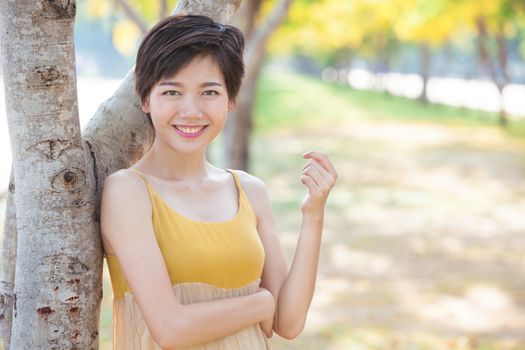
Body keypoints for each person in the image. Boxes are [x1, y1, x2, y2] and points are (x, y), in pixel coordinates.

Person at [100, 14, 337, 350]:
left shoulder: (249, 191)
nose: (191, 110)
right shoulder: (128, 191)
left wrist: (313, 214)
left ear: (230, 101)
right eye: (172, 91)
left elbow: (289, 322)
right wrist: (260, 303)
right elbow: (171, 329)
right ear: (146, 99)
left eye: (209, 92)